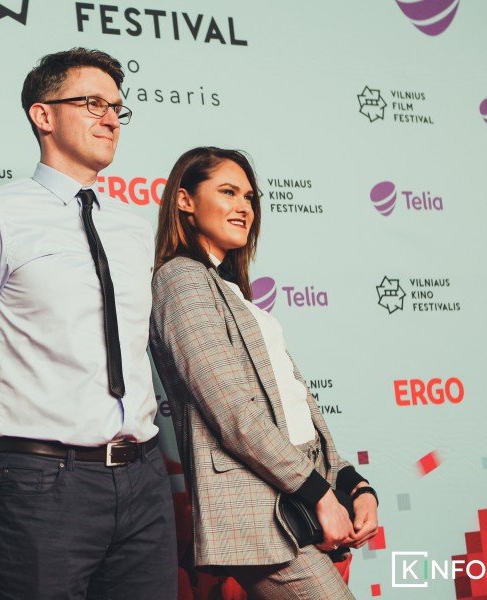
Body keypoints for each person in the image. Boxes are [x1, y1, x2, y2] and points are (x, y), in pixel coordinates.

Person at [0, 48, 176, 600]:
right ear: (43, 115)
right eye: (92, 103)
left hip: (143, 476)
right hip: (41, 479)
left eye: (117, 107)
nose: (110, 119)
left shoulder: (134, 228)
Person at [149, 147, 379, 599]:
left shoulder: (233, 291)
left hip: (297, 486)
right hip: (258, 508)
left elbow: (298, 405)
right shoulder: (180, 278)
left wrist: (352, 483)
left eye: (249, 197)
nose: (244, 207)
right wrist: (318, 494)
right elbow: (234, 412)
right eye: (228, 192)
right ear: (185, 200)